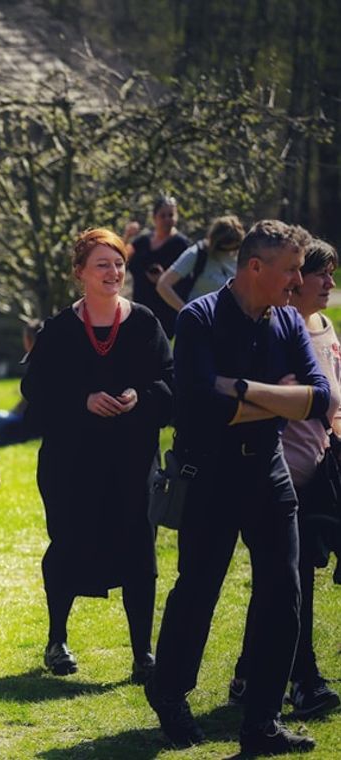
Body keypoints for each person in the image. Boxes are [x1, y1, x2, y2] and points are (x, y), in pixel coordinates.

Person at [147, 221, 326, 755]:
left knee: (284, 595)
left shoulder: (288, 321)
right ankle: (169, 694)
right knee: (198, 591)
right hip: (211, 474)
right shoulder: (199, 319)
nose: (298, 281)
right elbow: (200, 407)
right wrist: (280, 398)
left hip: (269, 471)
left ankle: (262, 723)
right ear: (255, 267)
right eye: (291, 270)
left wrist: (242, 389)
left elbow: (320, 399)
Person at [21, 228, 173, 681]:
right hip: (72, 464)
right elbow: (35, 393)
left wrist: (140, 395)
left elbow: (170, 383)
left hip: (132, 462)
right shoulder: (59, 330)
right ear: (80, 273)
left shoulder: (144, 323)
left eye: (119, 263)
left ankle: (143, 654)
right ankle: (57, 640)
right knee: (68, 546)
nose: (114, 272)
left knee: (139, 551)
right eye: (102, 264)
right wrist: (81, 401)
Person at [227, 237, 341, 721]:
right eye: (320, 274)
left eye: (331, 273)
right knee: (291, 585)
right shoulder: (281, 331)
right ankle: (303, 680)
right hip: (281, 475)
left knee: (284, 583)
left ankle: (247, 674)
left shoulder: (325, 329)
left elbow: (330, 401)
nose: (329, 282)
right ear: (295, 281)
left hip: (320, 473)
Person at [127, 196, 190, 338]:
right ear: (154, 218)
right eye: (163, 215)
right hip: (141, 308)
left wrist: (165, 278)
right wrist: (127, 235)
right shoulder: (142, 241)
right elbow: (121, 258)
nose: (167, 219)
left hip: (167, 313)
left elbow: (189, 279)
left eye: (171, 215)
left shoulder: (182, 244)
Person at [156, 215, 245, 311]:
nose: (230, 252)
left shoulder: (242, 257)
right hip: (201, 316)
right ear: (215, 243)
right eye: (224, 249)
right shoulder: (197, 253)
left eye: (235, 248)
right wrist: (187, 311)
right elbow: (163, 285)